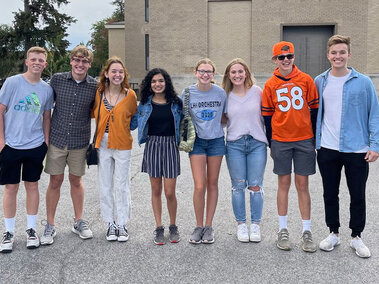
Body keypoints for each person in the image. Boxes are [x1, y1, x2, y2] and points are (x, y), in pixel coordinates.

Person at [315, 35, 379, 258]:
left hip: (357, 149)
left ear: (349, 55)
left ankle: (356, 236)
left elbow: (374, 114)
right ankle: (333, 232)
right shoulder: (320, 81)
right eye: (334, 53)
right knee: (329, 194)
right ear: (328, 56)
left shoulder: (363, 82)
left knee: (358, 194)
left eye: (342, 52)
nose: (338, 56)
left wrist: (375, 145)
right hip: (327, 148)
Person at [262, 41, 319, 252]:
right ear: (275, 60)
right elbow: (267, 116)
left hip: (304, 139)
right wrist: (271, 142)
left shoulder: (306, 80)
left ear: (294, 57)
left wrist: (312, 138)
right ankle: (282, 229)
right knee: (283, 184)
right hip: (281, 139)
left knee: (302, 185)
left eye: (289, 56)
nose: (286, 60)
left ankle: (306, 230)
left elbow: (314, 110)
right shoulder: (270, 84)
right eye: (281, 57)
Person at [40, 45, 98, 245]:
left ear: (89, 65)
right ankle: (49, 224)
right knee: (55, 181)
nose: (80, 64)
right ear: (71, 61)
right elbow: (45, 107)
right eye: (77, 60)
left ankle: (79, 221)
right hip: (57, 139)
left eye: (85, 61)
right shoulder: (57, 80)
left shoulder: (94, 86)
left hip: (79, 141)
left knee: (76, 180)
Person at [0, 47, 54, 253]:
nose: (37, 62)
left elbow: (46, 116)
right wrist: (2, 141)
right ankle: (9, 232)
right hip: (11, 145)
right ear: (27, 61)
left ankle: (31, 229)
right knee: (11, 188)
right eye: (34, 59)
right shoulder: (13, 82)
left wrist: (46, 142)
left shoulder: (46, 89)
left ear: (45, 64)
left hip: (35, 145)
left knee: (32, 186)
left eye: (41, 60)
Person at [131, 68, 182, 245]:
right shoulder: (144, 104)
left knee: (169, 192)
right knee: (156, 190)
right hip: (152, 145)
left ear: (166, 83)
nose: (157, 84)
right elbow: (131, 123)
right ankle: (159, 227)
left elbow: (187, 122)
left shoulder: (176, 103)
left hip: (170, 146)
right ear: (149, 84)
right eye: (154, 81)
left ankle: (173, 226)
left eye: (160, 81)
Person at [221, 58, 268, 243]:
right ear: (228, 75)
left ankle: (255, 224)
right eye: (233, 72)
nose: (237, 75)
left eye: (240, 71)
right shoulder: (225, 95)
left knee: (255, 185)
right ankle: (241, 224)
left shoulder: (257, 92)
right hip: (235, 144)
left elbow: (268, 116)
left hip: (257, 143)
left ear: (246, 73)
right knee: (238, 186)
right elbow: (222, 120)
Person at [93, 57, 137, 242]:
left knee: (121, 184)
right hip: (102, 143)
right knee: (105, 184)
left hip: (122, 144)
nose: (117, 74)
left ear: (124, 74)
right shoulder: (99, 93)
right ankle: (109, 223)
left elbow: (134, 119)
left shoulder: (130, 95)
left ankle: (122, 223)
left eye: (120, 71)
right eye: (114, 71)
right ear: (106, 74)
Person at [185, 58, 227, 244]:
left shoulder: (220, 93)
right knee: (199, 185)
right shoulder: (187, 93)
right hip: (198, 142)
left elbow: (226, 116)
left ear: (213, 74)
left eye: (209, 72)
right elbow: (179, 116)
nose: (205, 74)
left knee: (212, 183)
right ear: (195, 73)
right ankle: (198, 225)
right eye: (202, 71)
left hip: (216, 141)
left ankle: (209, 226)